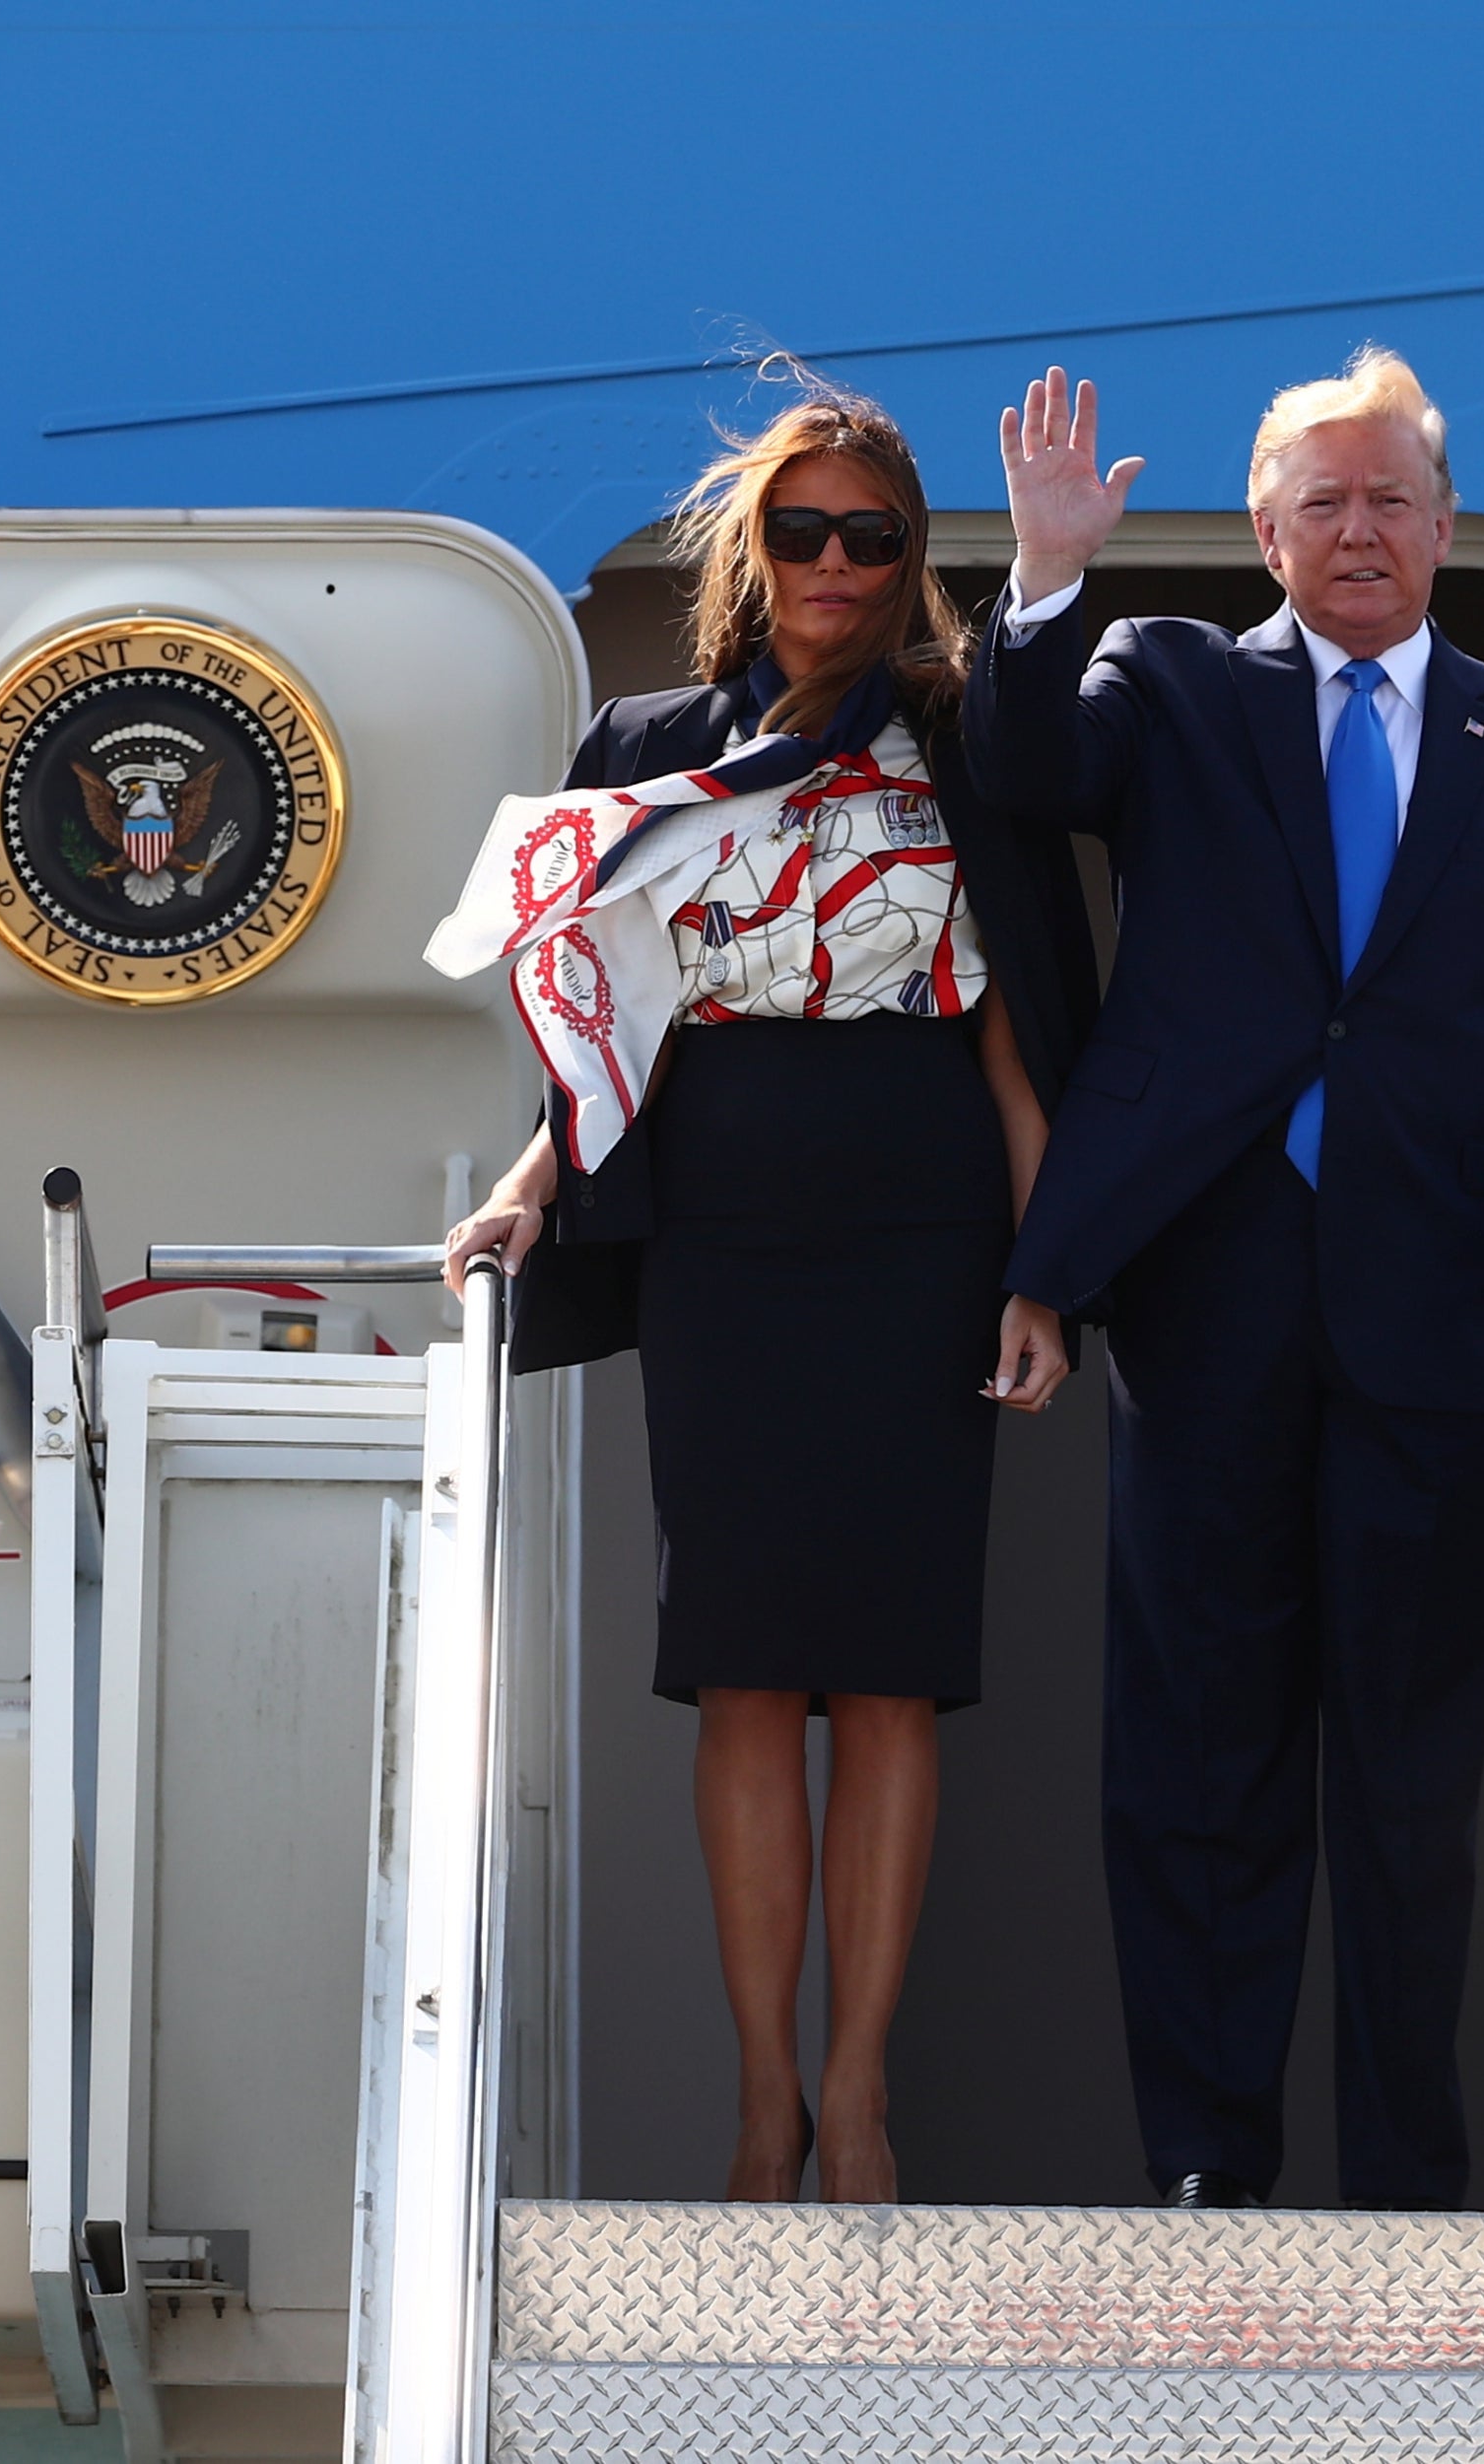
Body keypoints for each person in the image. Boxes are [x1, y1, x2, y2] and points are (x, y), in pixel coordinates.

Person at [966, 349, 1484, 2210]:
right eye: (1321, 502)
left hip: (1444, 1316)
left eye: (1390, 500)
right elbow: (1028, 771)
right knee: (1201, 1770)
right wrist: (1042, 582)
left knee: (1414, 1794)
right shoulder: (1169, 681)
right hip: (1213, 1302)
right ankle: (1207, 2175)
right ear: (1264, 528)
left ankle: (1403, 2194)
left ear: (1444, 527)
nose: (1358, 532)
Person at [435, 380, 1097, 2204]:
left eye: (867, 536)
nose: (829, 562)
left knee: (887, 1683)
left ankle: (861, 2097)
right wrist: (520, 1191)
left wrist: (1044, 1278)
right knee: (737, 1677)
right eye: (797, 529)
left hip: (921, 1237)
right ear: (755, 549)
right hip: (724, 1239)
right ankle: (758, 2104)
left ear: (907, 564)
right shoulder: (650, 742)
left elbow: (1011, 1039)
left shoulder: (964, 746)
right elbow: (599, 1025)